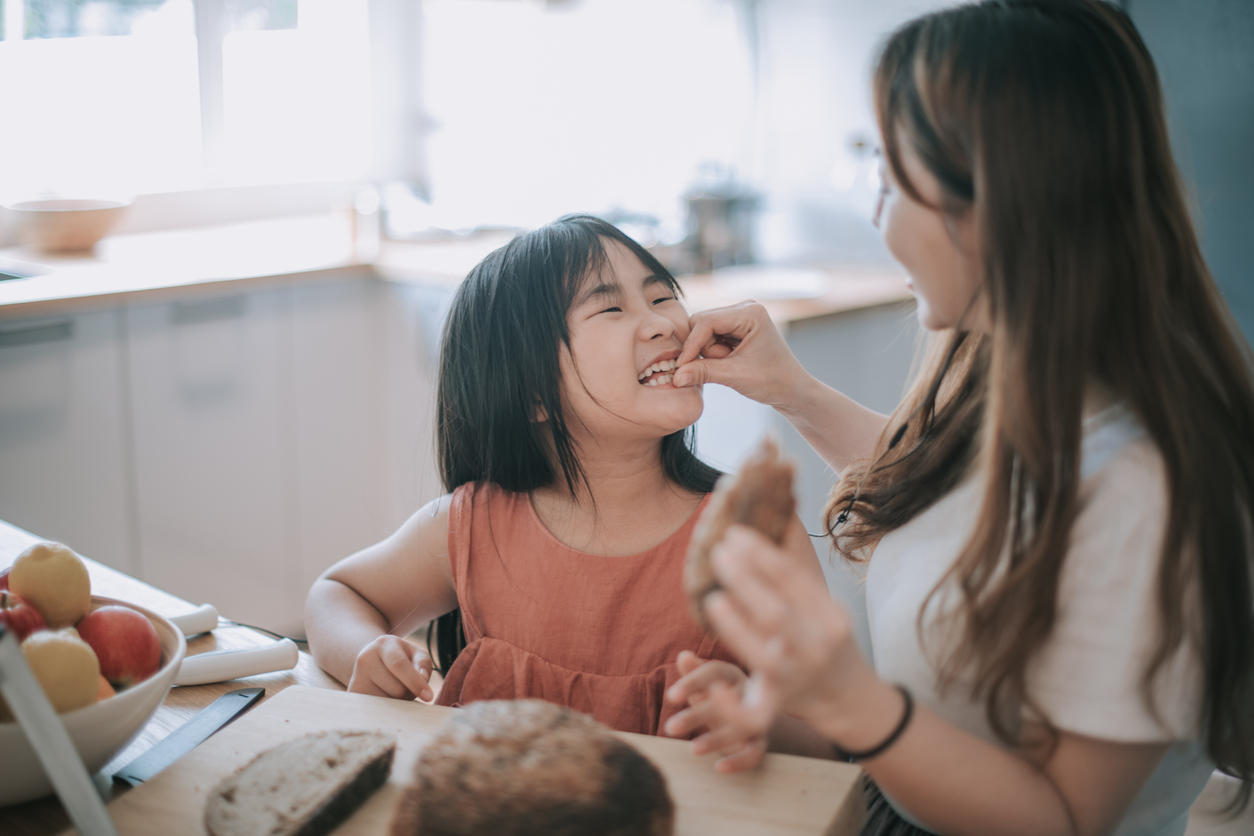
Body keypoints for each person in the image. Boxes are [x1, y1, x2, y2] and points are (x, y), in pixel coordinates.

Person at [662, 1, 1254, 835]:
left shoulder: (1148, 497)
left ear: (997, 208)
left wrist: (850, 702)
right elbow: (962, 507)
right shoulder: (1017, 374)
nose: (876, 217)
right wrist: (786, 388)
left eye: (893, 183)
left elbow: (1065, 819)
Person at [303, 214, 827, 745]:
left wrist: (762, 723)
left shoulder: (756, 535)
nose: (663, 324)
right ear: (531, 393)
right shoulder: (472, 526)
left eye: (662, 296)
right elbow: (335, 595)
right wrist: (370, 652)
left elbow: (832, 742)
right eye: (612, 308)